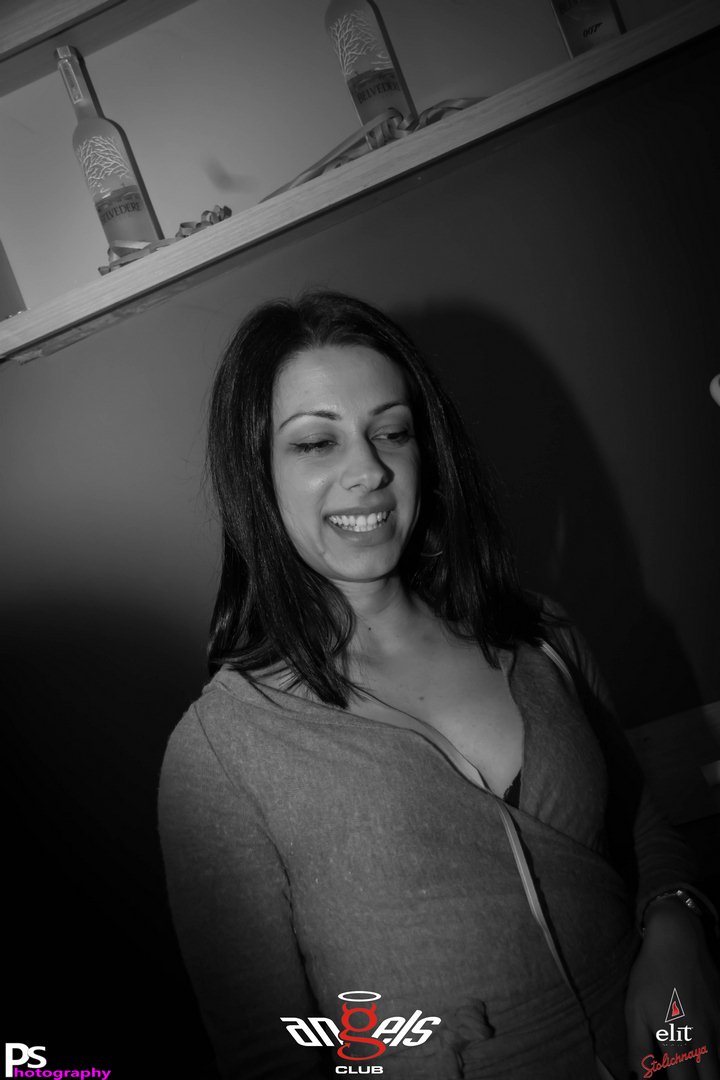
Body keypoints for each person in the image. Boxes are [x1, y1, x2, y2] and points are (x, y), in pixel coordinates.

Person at [158, 291, 719, 1080]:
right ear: (257, 475)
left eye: (391, 431)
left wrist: (677, 931)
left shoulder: (541, 637)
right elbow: (266, 1054)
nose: (369, 469)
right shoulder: (222, 749)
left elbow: (642, 827)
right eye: (316, 442)